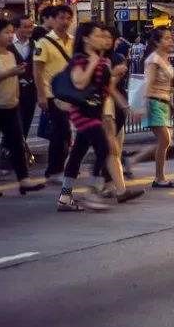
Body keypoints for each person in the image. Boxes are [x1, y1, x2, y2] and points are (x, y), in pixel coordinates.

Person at [56, 22, 140, 211]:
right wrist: (92, 63)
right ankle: (92, 194)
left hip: (97, 111)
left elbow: (108, 88)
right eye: (98, 36)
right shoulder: (80, 59)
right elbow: (79, 83)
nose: (103, 40)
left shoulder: (102, 61)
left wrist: (125, 106)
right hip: (83, 113)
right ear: (86, 38)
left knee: (77, 153)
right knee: (104, 148)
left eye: (104, 36)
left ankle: (65, 196)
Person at [0, 19, 45, 196]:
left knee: (17, 143)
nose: (10, 35)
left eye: (11, 32)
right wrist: (10, 73)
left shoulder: (10, 54)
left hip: (11, 105)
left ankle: (24, 180)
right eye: (6, 32)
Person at [33, 4, 74, 185]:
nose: (64, 21)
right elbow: (37, 71)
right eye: (61, 18)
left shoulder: (73, 41)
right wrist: (41, 95)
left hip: (71, 95)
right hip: (52, 95)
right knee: (61, 132)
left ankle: (60, 168)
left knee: (66, 134)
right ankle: (54, 170)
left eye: (67, 18)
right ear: (54, 19)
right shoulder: (44, 42)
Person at [131, 28, 174, 188]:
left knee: (167, 142)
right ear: (157, 42)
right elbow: (148, 83)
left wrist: (170, 103)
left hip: (163, 103)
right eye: (166, 38)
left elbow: (167, 85)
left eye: (171, 38)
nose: (171, 41)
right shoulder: (154, 60)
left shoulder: (166, 59)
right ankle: (159, 178)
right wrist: (142, 106)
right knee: (165, 140)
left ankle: (131, 161)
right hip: (154, 103)